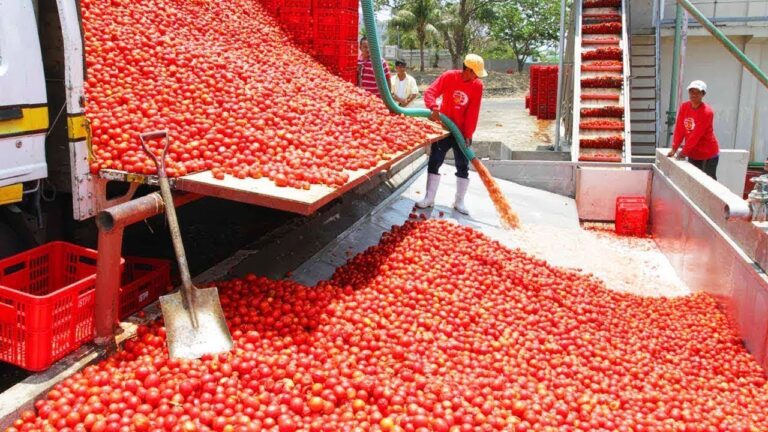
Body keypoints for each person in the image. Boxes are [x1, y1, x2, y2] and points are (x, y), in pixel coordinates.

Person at [416, 54, 487, 214]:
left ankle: (459, 201)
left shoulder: (477, 85)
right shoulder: (449, 77)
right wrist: (433, 107)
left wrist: (468, 134)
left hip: (461, 132)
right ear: (468, 70)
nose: (477, 77)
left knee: (462, 164)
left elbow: (473, 111)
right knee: (435, 160)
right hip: (444, 127)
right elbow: (430, 92)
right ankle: (429, 198)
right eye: (475, 73)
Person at [667, 80, 720, 180]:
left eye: (697, 92)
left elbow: (696, 135)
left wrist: (683, 152)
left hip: (707, 154)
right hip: (693, 153)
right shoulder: (684, 107)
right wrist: (674, 148)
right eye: (691, 91)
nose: (694, 94)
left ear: (703, 94)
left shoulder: (707, 112)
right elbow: (680, 129)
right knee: (694, 181)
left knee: (707, 182)